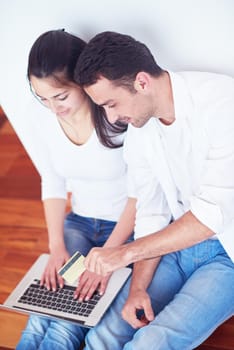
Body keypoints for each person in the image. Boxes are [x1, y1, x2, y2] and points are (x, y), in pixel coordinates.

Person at [74, 31, 234, 349]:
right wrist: (138, 287)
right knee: (103, 335)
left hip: (227, 254)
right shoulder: (141, 128)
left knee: (152, 342)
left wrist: (122, 254)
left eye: (111, 103)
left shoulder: (223, 105)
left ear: (142, 82)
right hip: (172, 245)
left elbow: (210, 217)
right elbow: (151, 210)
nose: (111, 117)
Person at [16, 29, 135, 350]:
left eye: (61, 96)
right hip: (80, 224)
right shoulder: (37, 117)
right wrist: (56, 247)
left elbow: (142, 195)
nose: (53, 107)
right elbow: (52, 180)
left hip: (126, 232)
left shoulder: (116, 117)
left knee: (65, 326)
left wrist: (110, 257)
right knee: (41, 312)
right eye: (42, 97)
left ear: (82, 82)